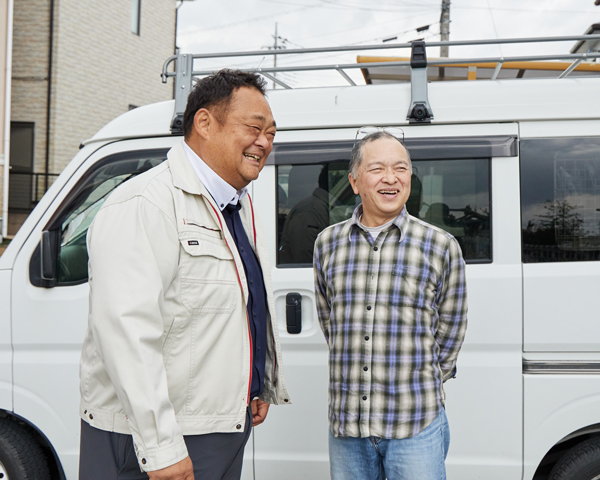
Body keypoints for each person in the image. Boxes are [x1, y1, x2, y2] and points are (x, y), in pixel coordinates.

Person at [79, 69, 291, 480]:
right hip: (155, 440)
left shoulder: (237, 205)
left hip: (218, 427)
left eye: (271, 134)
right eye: (254, 128)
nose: (264, 142)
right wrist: (162, 448)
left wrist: (255, 384)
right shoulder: (146, 202)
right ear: (205, 123)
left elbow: (239, 306)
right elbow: (126, 333)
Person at [313, 131, 467, 480]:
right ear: (354, 182)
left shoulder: (440, 245)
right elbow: (331, 323)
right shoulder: (327, 244)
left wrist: (420, 380)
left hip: (415, 421)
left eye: (400, 168)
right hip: (349, 424)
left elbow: (451, 329)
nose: (391, 178)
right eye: (377, 168)